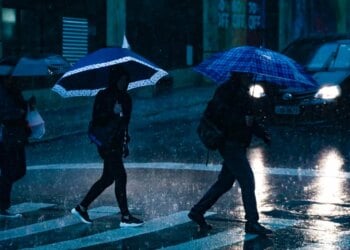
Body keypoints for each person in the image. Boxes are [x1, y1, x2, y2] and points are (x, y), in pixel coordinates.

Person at [188, 72, 273, 236]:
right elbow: (223, 117)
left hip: (238, 143)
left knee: (225, 183)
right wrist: (243, 120)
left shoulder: (244, 91)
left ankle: (197, 211)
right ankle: (252, 222)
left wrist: (262, 133)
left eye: (251, 74)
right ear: (239, 74)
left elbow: (249, 119)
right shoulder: (226, 91)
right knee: (247, 180)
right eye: (247, 74)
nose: (250, 76)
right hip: (229, 143)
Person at [71, 65, 143, 227]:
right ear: (115, 80)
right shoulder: (104, 95)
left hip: (117, 142)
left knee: (107, 178)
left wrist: (125, 142)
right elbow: (97, 119)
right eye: (121, 80)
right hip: (106, 142)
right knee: (120, 176)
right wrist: (112, 112)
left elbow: (124, 124)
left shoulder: (126, 98)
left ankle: (82, 207)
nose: (124, 83)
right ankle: (125, 216)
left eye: (126, 80)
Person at [0, 75, 35, 218]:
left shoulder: (13, 89)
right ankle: (2, 206)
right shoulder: (3, 91)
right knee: (10, 171)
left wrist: (28, 105)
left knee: (19, 170)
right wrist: (19, 112)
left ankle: (2, 203)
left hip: (17, 136)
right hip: (9, 137)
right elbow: (6, 113)